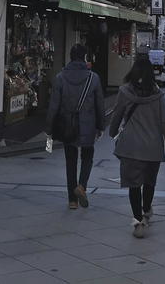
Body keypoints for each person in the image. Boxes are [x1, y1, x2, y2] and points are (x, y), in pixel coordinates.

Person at [108, 56, 165, 238]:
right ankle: (146, 211)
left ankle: (137, 222)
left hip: (131, 147)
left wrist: (112, 131)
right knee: (149, 182)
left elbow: (117, 115)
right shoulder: (158, 94)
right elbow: (164, 121)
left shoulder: (124, 91)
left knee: (134, 185)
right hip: (153, 146)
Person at [46, 43, 104, 209]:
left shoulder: (60, 78)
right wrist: (100, 126)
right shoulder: (93, 78)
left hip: (67, 126)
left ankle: (72, 200)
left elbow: (53, 106)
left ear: (70, 57)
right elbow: (99, 105)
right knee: (87, 157)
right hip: (88, 126)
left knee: (70, 161)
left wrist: (49, 128)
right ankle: (82, 186)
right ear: (85, 57)